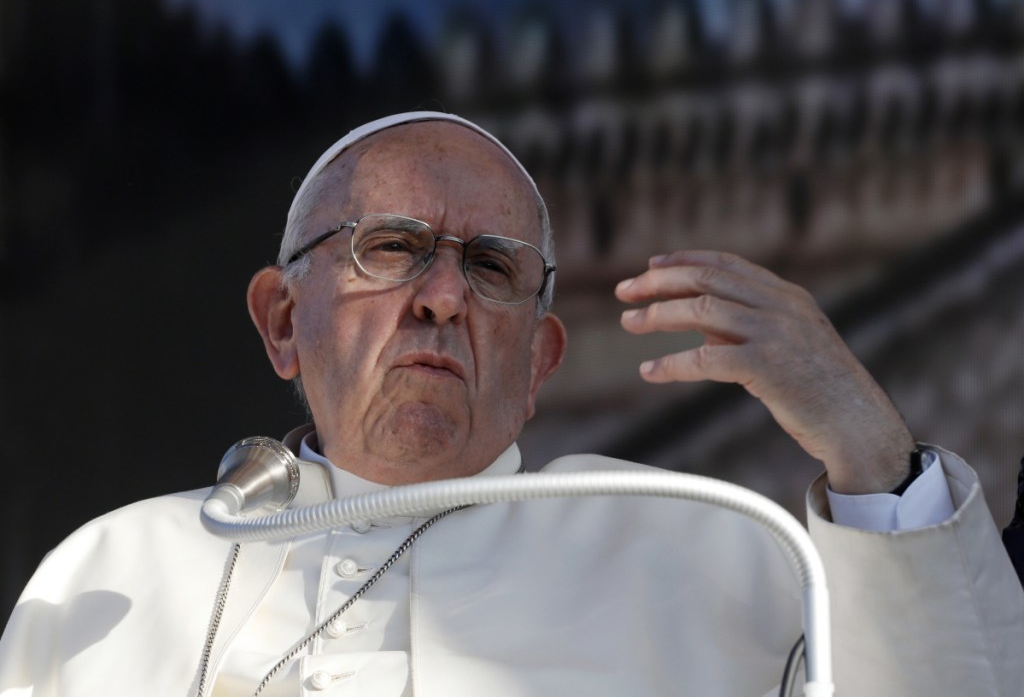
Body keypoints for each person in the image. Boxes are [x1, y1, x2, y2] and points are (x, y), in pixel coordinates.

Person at [1, 111, 1021, 696]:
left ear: (538, 362)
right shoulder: (112, 571)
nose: (441, 295)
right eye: (391, 246)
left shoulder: (695, 547)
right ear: (279, 320)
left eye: (491, 267)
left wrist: (864, 440)